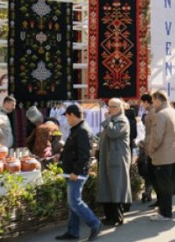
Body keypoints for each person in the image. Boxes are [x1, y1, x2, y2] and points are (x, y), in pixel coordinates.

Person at [56, 104, 101, 241]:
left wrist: (76, 171)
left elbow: (84, 155)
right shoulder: (78, 129)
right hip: (72, 171)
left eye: (67, 116)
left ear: (72, 115)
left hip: (77, 172)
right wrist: (62, 157)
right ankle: (73, 231)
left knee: (75, 201)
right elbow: (74, 149)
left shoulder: (82, 130)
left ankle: (95, 223)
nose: (66, 120)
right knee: (73, 203)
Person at [96, 98, 132, 226]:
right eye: (109, 106)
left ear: (118, 108)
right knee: (107, 186)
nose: (109, 109)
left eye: (112, 106)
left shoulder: (122, 120)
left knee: (116, 187)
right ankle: (109, 216)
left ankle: (117, 217)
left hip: (117, 158)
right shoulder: (113, 119)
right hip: (108, 157)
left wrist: (107, 120)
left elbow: (113, 133)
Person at [149, 90, 175, 221]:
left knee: (163, 185)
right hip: (172, 153)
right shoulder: (174, 112)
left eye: (153, 101)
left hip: (162, 154)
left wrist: (151, 149)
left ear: (157, 100)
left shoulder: (161, 114)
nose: (153, 104)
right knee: (168, 184)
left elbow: (157, 137)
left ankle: (165, 213)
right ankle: (165, 210)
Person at [139, 94, 155, 204]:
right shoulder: (149, 112)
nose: (141, 105)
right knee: (147, 170)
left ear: (146, 102)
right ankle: (148, 191)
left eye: (142, 102)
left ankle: (149, 191)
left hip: (151, 145)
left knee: (149, 170)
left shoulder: (152, 112)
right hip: (147, 143)